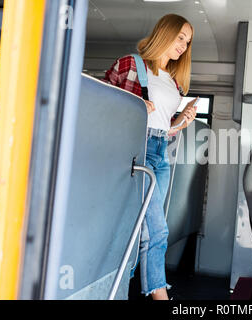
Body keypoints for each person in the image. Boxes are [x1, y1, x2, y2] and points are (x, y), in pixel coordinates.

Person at [103, 14, 197, 300]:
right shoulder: (131, 64)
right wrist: (132, 104)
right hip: (136, 149)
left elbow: (164, 128)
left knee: (139, 231)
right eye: (180, 37)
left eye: (188, 41)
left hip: (160, 153)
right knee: (157, 230)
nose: (183, 45)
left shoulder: (174, 82)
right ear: (164, 33)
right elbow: (101, 103)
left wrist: (182, 120)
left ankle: (115, 291)